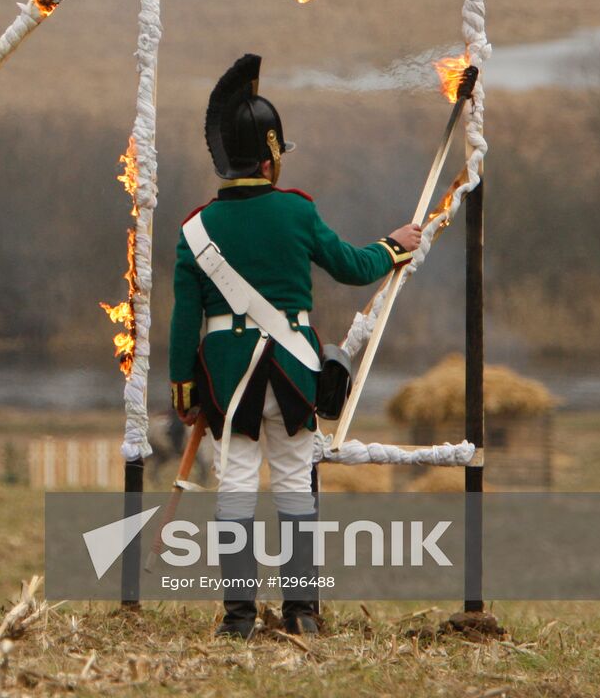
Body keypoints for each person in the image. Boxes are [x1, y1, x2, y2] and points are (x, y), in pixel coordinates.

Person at [168, 54, 422, 639]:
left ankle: (237, 621)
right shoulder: (297, 210)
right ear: (269, 156)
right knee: (293, 489)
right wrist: (394, 245)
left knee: (233, 490)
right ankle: (302, 615)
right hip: (291, 371)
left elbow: (186, 322)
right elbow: (353, 266)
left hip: (227, 381)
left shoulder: (194, 230)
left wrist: (186, 389)